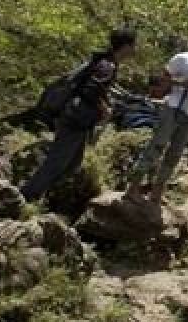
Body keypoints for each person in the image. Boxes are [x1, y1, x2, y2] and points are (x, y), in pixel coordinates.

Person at [20, 29, 137, 202]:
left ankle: (41, 195)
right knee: (57, 162)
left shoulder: (104, 61)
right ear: (126, 47)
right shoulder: (107, 65)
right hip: (76, 118)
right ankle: (26, 197)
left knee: (72, 164)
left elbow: (96, 88)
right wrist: (104, 108)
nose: (135, 49)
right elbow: (91, 90)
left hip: (79, 119)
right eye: (133, 45)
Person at [127, 32, 188, 206]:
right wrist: (182, 83)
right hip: (173, 107)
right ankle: (133, 188)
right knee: (156, 147)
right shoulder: (182, 59)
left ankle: (157, 192)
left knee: (174, 155)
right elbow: (159, 81)